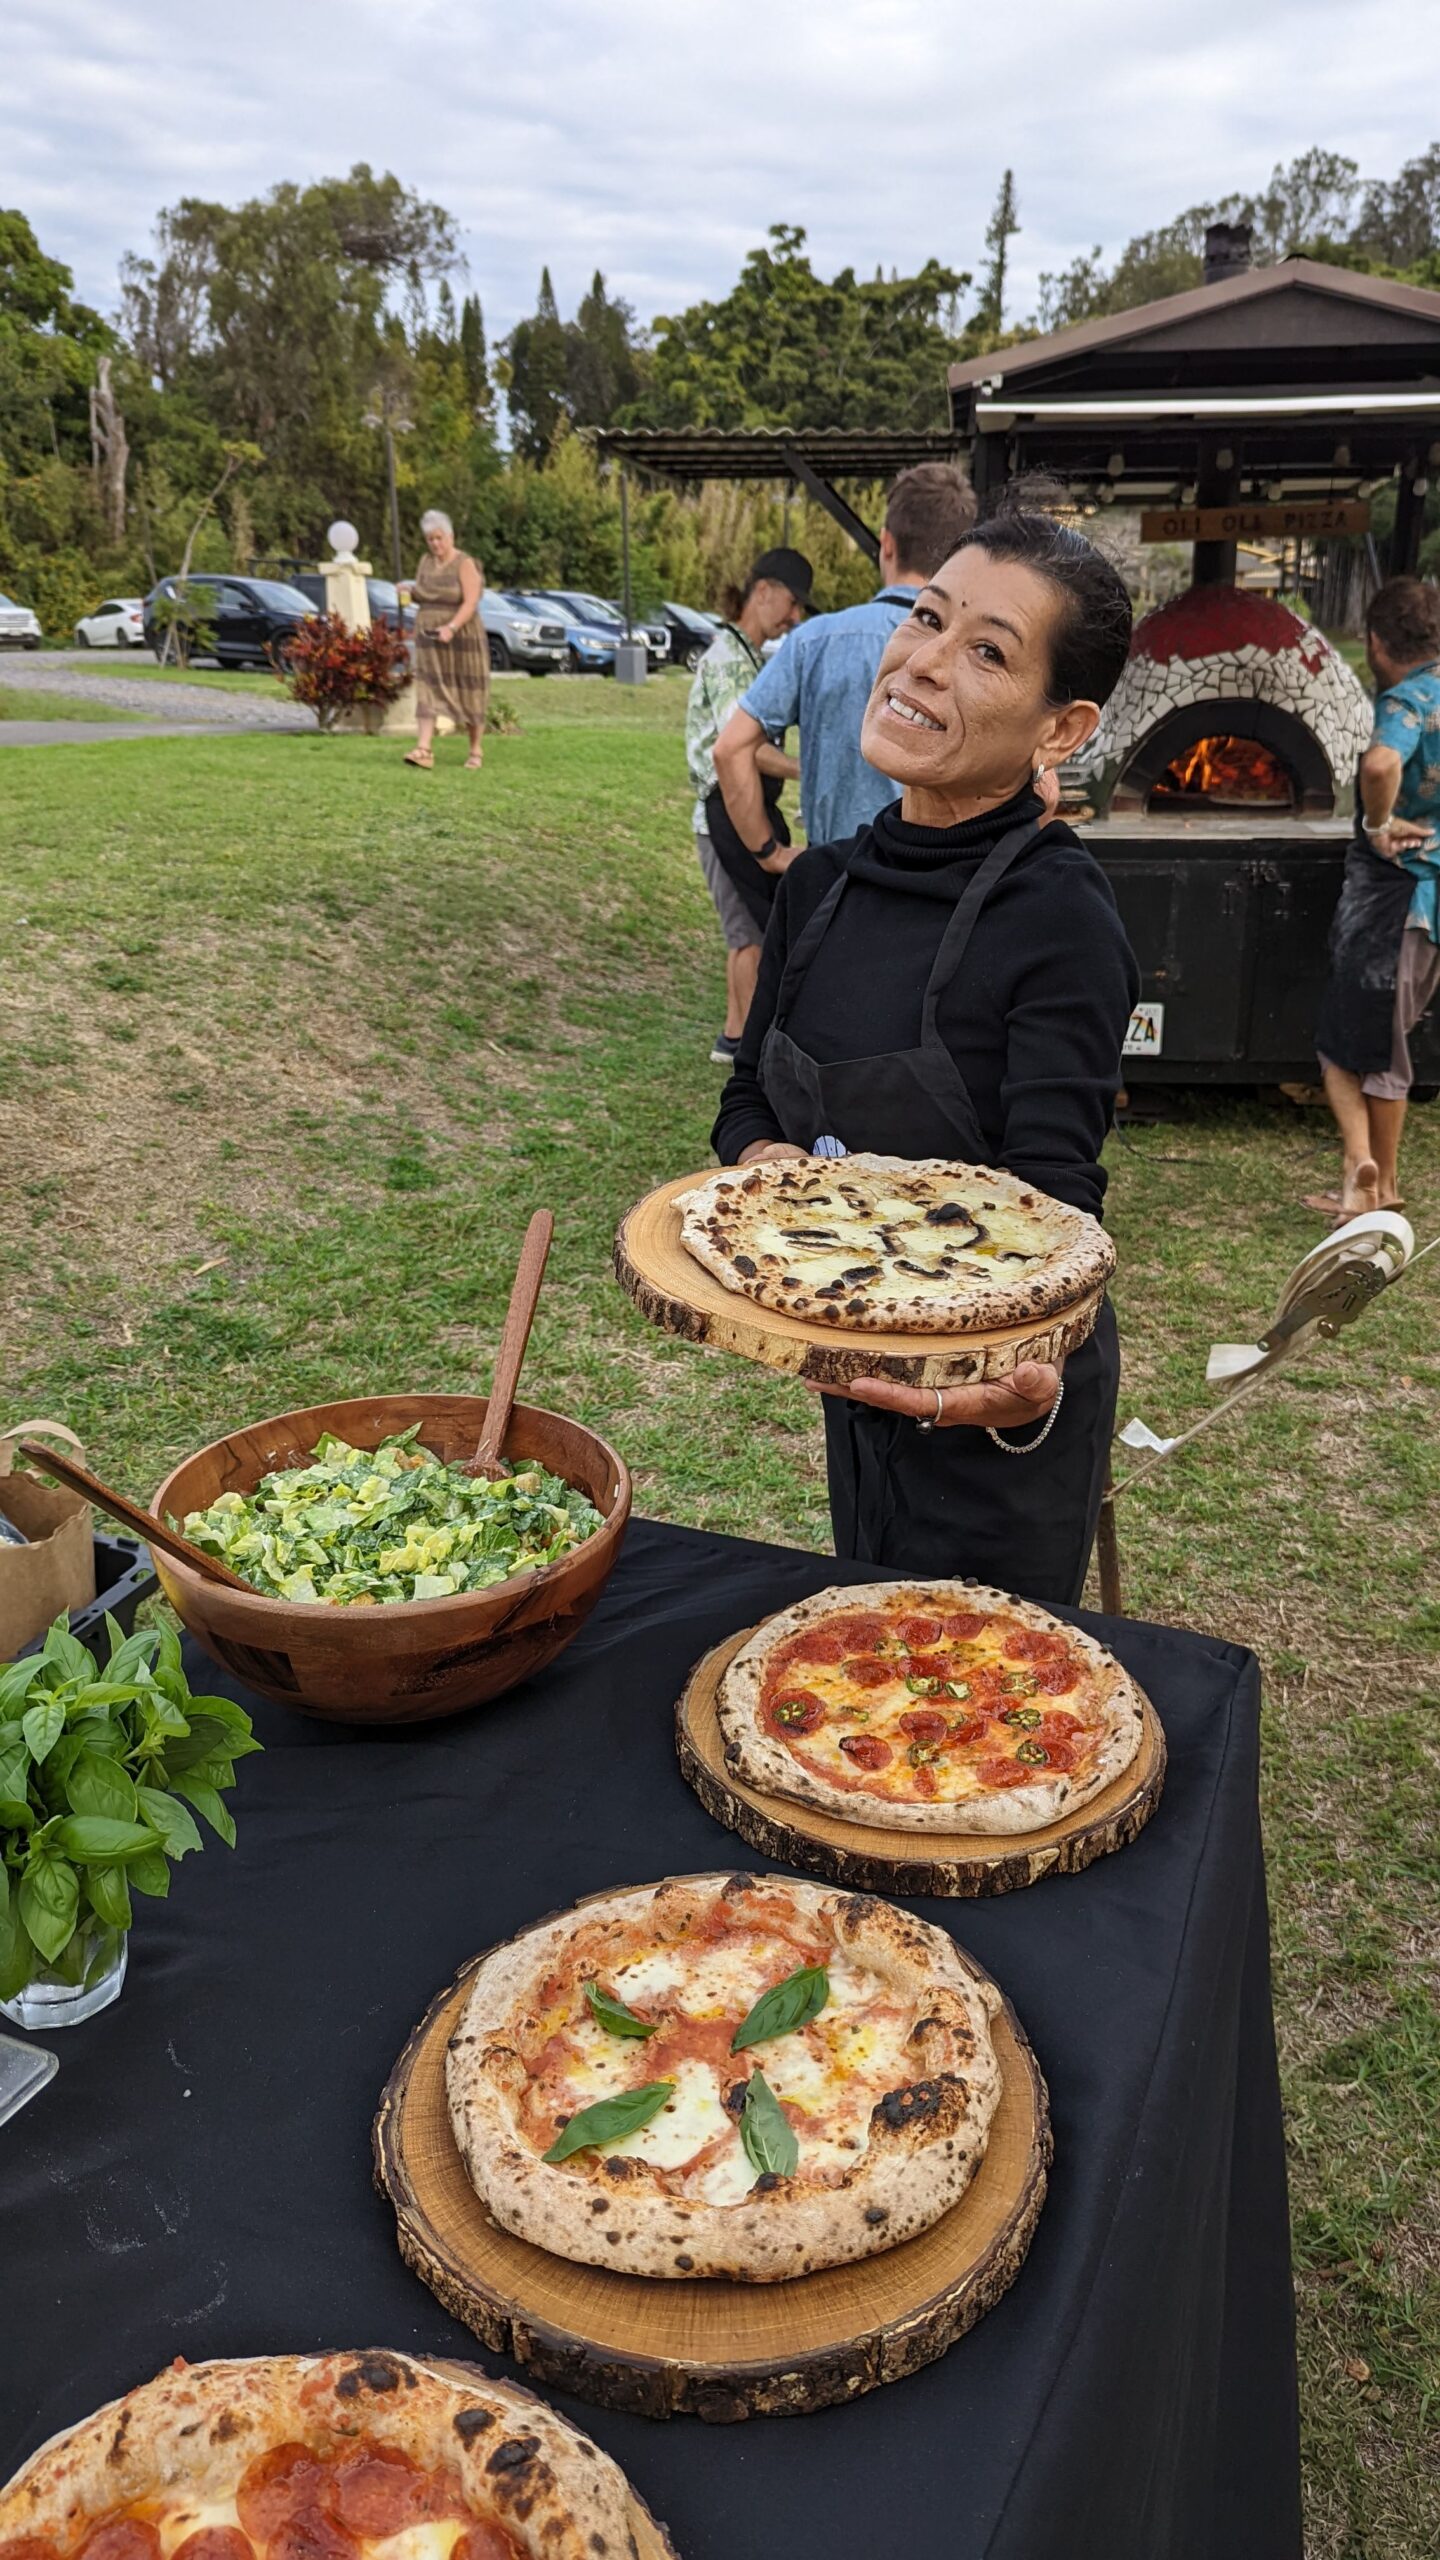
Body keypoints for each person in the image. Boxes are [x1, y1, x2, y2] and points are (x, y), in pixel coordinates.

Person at [712, 510, 1139, 1608]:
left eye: (988, 651)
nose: (923, 663)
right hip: (858, 1359)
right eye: (927, 619)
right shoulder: (821, 886)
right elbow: (747, 1094)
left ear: (1061, 728)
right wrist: (783, 1189)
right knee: (864, 1617)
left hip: (1003, 1403)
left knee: (975, 1679)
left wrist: (1015, 1370)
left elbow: (1055, 1196)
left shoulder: (1059, 916)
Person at [712, 462, 976, 859]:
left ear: (886, 544)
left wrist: (768, 852)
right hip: (941, 875)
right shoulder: (985, 657)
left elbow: (729, 749)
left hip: (835, 872)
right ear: (961, 556)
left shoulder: (813, 641)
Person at [1312, 575, 1440, 1217]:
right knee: (1383, 1034)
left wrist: (1377, 822)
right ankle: (1363, 1177)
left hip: (1401, 893)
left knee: (1369, 1046)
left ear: (1376, 643)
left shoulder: (1407, 699)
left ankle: (1378, 1187)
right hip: (1431, 899)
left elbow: (1381, 764)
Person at [684, 549, 812, 1063]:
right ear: (762, 592)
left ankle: (735, 1035)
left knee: (750, 931)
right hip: (724, 820)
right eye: (792, 602)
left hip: (744, 813)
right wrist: (809, 768)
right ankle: (742, 1045)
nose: (795, 616)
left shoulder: (747, 655)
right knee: (749, 935)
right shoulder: (728, 660)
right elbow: (743, 750)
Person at [405, 510, 488, 771]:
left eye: (439, 538)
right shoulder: (425, 562)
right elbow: (423, 593)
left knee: (469, 688)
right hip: (428, 635)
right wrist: (409, 591)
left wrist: (451, 627)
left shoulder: (465, 563)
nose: (435, 544)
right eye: (430, 539)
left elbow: (471, 601)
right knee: (427, 687)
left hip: (462, 635)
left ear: (450, 536)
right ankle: (424, 749)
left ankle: (475, 750)